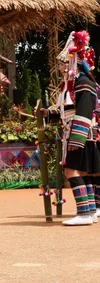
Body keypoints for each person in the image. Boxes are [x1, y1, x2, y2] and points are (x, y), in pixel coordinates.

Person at [42, 31, 100, 225]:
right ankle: (90, 211)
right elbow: (68, 111)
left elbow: (84, 111)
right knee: (81, 172)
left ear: (73, 62)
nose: (60, 67)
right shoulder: (73, 85)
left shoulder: (83, 83)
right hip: (80, 134)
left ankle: (84, 212)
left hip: (81, 135)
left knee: (72, 172)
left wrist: (77, 138)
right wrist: (48, 115)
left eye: (63, 63)